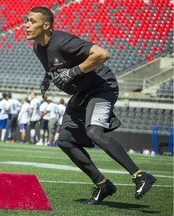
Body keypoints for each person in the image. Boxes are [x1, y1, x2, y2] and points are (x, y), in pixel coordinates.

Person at [26, 6, 156, 204]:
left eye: (31, 21)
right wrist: (47, 78)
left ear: (46, 26)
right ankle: (102, 185)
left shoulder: (63, 40)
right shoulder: (37, 47)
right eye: (26, 20)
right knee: (65, 141)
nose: (26, 25)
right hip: (81, 93)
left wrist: (74, 72)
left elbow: (102, 54)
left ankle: (139, 175)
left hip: (101, 87)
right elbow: (55, 66)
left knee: (94, 132)